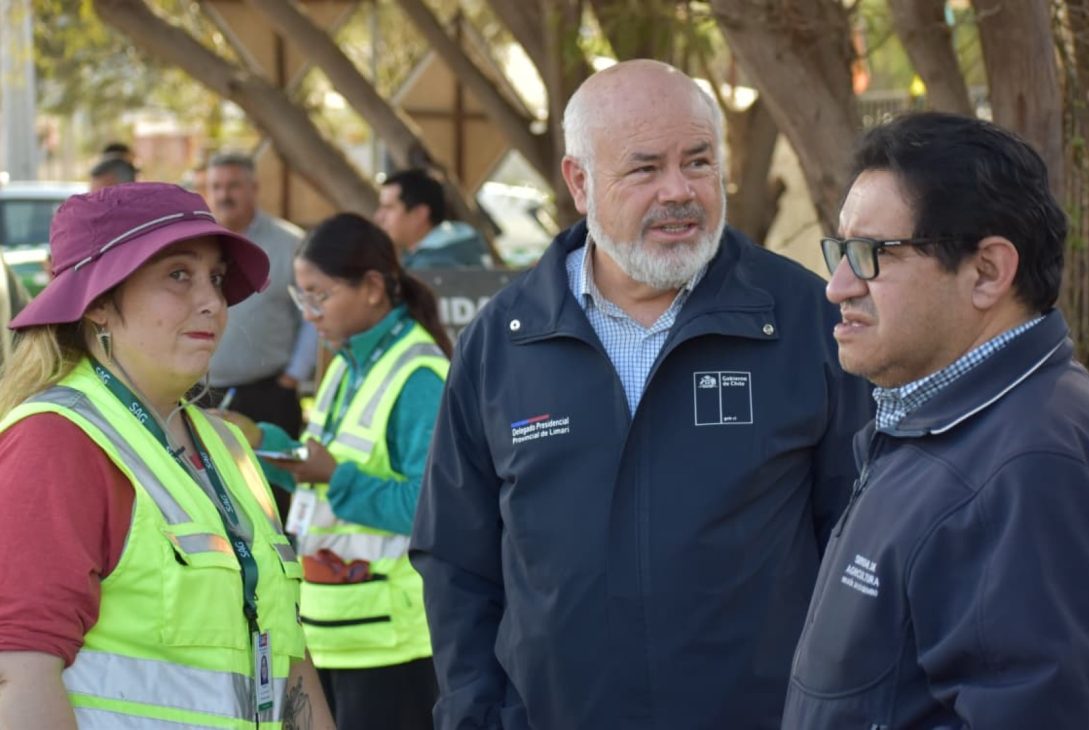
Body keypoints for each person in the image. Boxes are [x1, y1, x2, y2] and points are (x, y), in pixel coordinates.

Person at [410, 59, 871, 729]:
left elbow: (859, 545)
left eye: (698, 162)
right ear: (578, 181)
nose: (678, 191)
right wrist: (475, 714)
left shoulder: (805, 322)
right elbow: (457, 560)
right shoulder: (503, 341)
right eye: (645, 168)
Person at [783, 113, 1089, 728]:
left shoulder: (1028, 463)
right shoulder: (934, 421)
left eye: (870, 254)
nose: (837, 286)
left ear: (987, 272)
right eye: (840, 249)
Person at [0, 182, 334, 729]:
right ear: (100, 304)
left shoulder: (228, 448)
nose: (212, 301)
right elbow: (18, 675)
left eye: (216, 278)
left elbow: (289, 666)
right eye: (178, 274)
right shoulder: (56, 442)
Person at [221, 212, 452, 729]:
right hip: (336, 630)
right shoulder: (347, 363)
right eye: (302, 297)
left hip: (394, 641)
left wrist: (334, 478)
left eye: (318, 295)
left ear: (372, 288)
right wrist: (254, 441)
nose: (308, 314)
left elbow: (431, 507)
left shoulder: (418, 374)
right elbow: (314, 473)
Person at [205, 151, 317, 443]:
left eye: (233, 186)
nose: (224, 195)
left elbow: (311, 314)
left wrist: (293, 376)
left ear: (254, 188)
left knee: (271, 487)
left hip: (269, 396)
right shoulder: (195, 244)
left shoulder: (290, 244)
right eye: (216, 186)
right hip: (199, 395)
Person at [375, 168, 493, 269]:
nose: (379, 217)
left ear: (420, 214)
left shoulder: (431, 267)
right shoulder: (464, 248)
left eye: (389, 208)